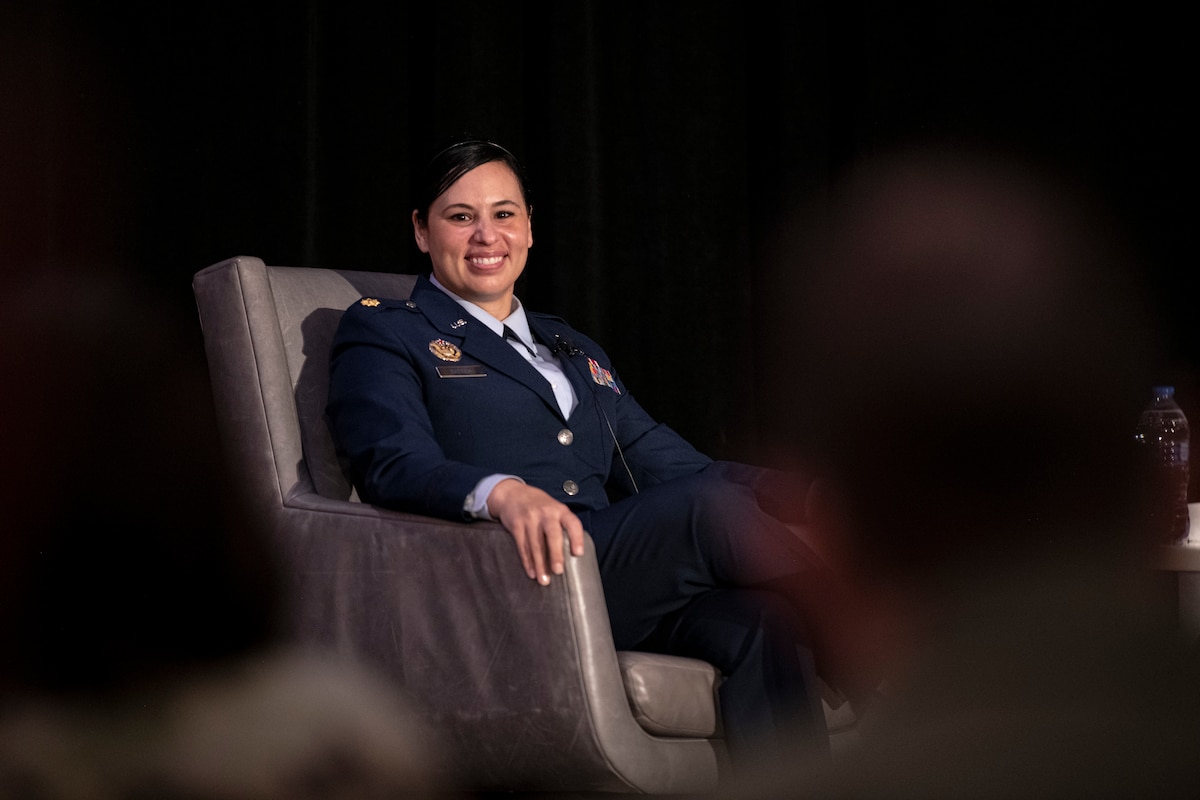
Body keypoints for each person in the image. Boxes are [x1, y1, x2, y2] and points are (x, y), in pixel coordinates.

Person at [326, 138, 865, 768]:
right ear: (422, 231)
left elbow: (676, 463)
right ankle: (881, 642)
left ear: (529, 228)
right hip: (510, 575)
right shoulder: (386, 329)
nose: (485, 236)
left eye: (504, 214)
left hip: (613, 580)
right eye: (460, 216)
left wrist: (809, 493)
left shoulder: (570, 346)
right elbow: (389, 461)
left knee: (764, 618)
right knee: (702, 511)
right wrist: (498, 491)